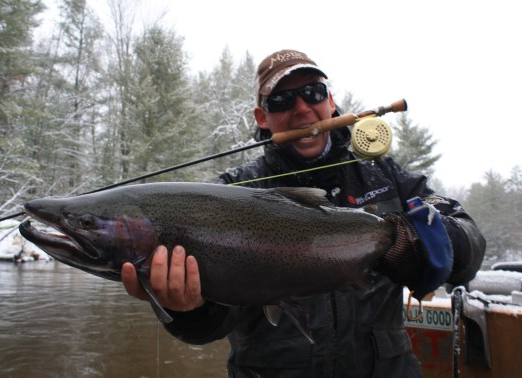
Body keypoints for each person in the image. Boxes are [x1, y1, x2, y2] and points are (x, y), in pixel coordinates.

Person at [121, 49, 486, 377]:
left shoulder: (386, 177)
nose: (302, 109)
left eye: (313, 93)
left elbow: (469, 247)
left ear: (330, 100)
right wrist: (189, 310)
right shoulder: (233, 193)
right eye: (282, 100)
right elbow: (208, 328)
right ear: (262, 117)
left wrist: (417, 242)